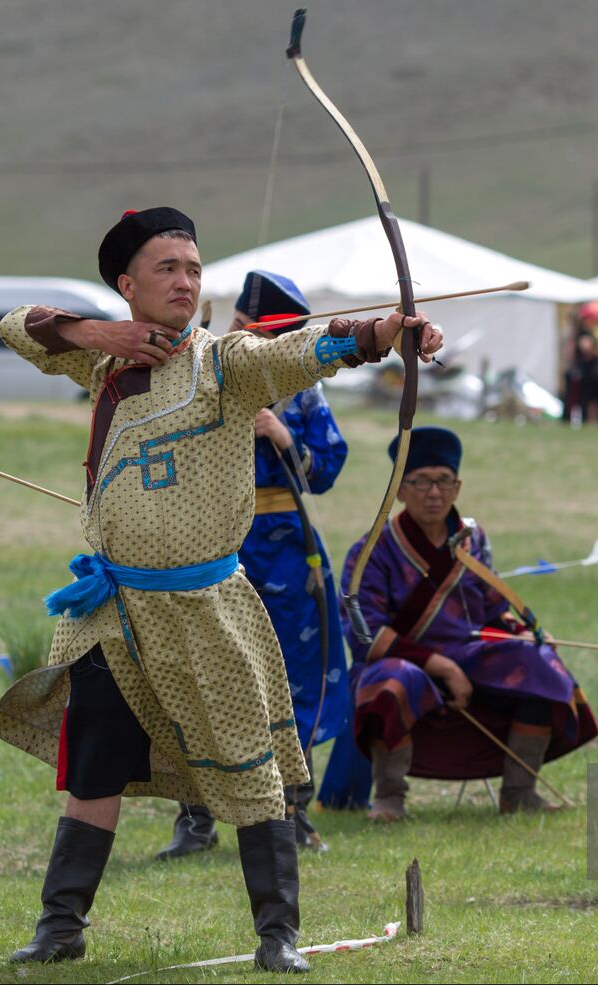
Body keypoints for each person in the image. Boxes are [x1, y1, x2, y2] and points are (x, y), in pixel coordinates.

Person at [0, 207, 442, 972]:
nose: (187, 280)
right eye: (167, 268)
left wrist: (385, 333)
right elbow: (15, 326)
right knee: (94, 771)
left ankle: (277, 934)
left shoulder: (228, 363)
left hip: (206, 609)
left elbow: (304, 350)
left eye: (194, 267)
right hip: (114, 613)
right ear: (127, 285)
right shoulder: (99, 364)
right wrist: (99, 335)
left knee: (250, 769)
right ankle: (61, 927)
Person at [153, 270, 366, 861]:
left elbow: (325, 469)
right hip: (209, 545)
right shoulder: (198, 374)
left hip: (288, 549)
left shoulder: (301, 390)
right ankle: (195, 819)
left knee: (296, 675)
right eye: (249, 328)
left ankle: (291, 812)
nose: (254, 338)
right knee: (200, 678)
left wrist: (279, 433)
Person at [337, 427, 598, 820]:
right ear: (400, 491)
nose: (434, 492)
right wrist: (441, 666)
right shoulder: (371, 549)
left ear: (457, 488)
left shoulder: (471, 541)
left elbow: (492, 608)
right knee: (390, 681)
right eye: (421, 482)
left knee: (538, 664)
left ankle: (519, 791)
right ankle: (389, 797)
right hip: (402, 662)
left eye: (444, 481)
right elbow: (365, 633)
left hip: (469, 653)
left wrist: (527, 635)